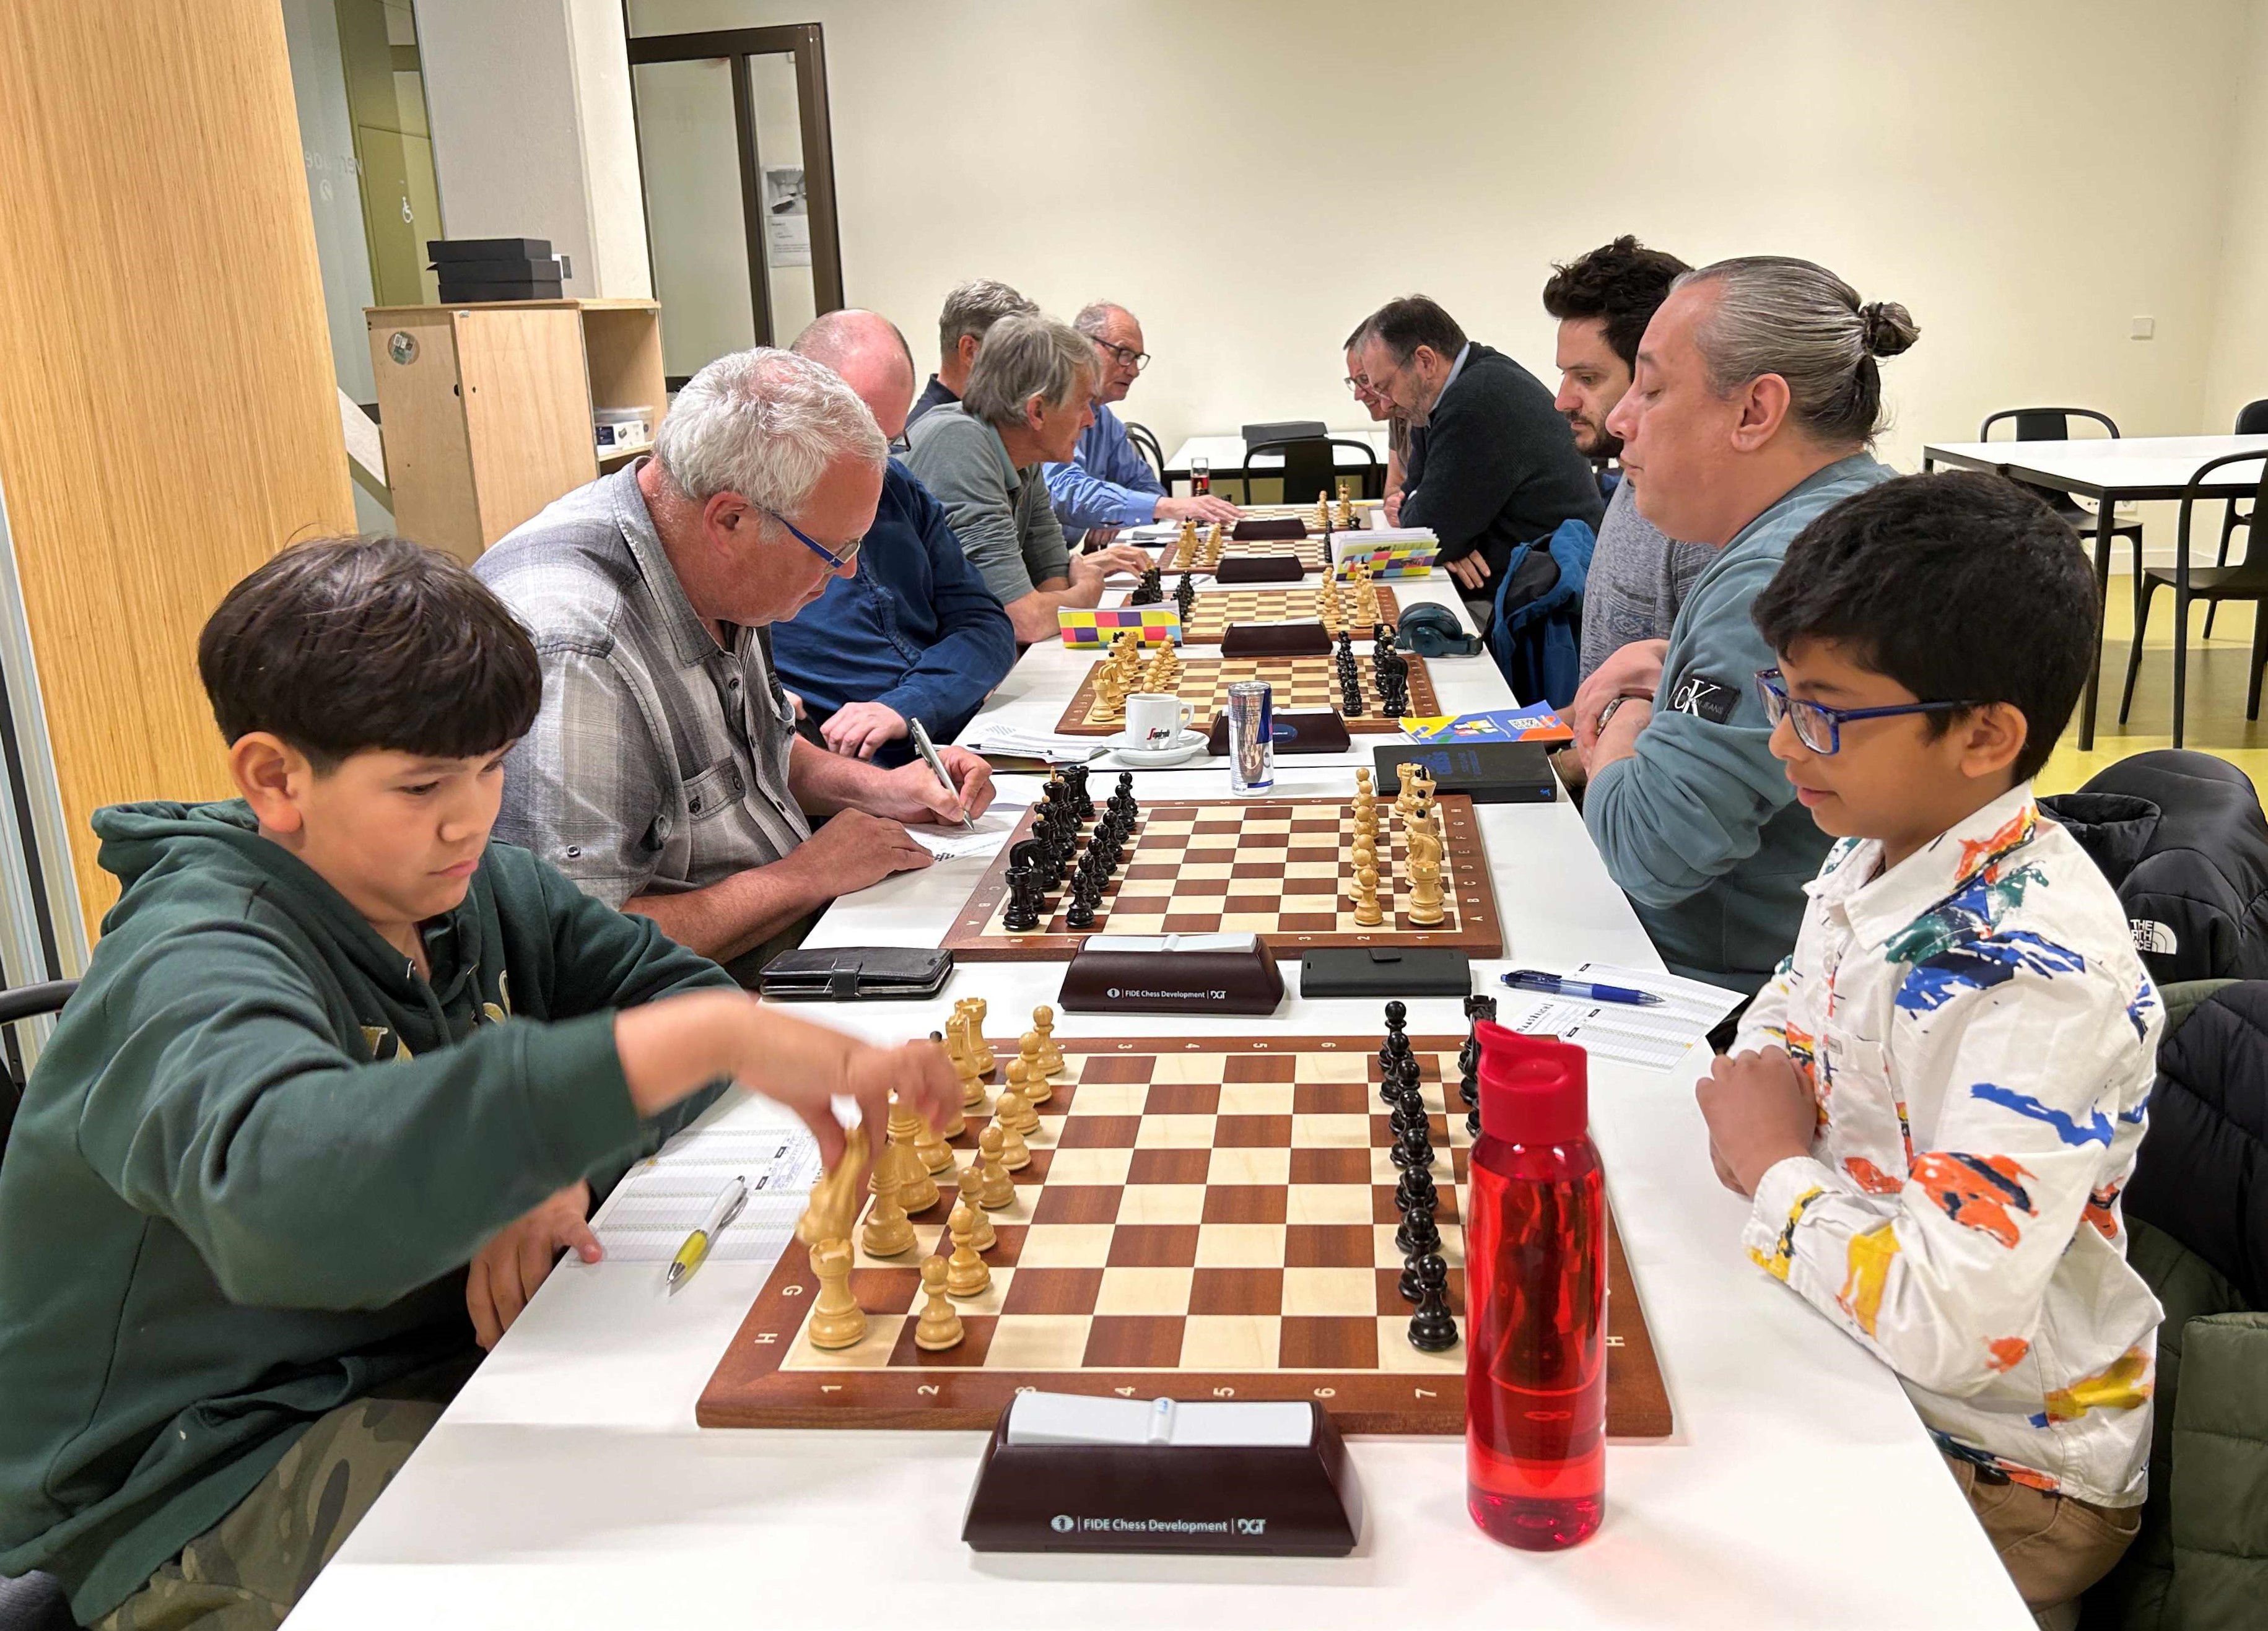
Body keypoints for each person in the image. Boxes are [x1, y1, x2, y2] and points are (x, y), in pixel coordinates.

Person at [0, 537, 961, 1629]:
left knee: (791, 1495)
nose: (472, 816)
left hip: (432, 1360)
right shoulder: (190, 957)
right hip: (204, 1471)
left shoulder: (472, 885)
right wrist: (624, 1081)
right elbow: (294, 1202)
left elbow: (670, 996)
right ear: (275, 779)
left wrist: (543, 1157)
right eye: (421, 784)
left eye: (492, 766)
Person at [1701, 473, 2157, 1630]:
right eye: (1782, 695)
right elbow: (1781, 1023)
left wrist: (1772, 1166)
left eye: (1823, 709)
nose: (1779, 738)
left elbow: (1956, 1328)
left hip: (2009, 1471)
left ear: (1983, 735)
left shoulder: (2031, 978)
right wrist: (1776, 1120)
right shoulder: (1881, 849)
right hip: (1862, 1345)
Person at [476, 348, 996, 979]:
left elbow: (751, 750)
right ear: (730, 519)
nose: (851, 572)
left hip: (795, 934)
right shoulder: (577, 649)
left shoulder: (712, 560)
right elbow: (575, 955)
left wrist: (881, 789)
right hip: (694, 1019)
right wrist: (802, 878)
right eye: (834, 550)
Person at [1573, 256, 1914, 993]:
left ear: (1755, 412)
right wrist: (1673, 675)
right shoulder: (1858, 512)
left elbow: (1647, 850)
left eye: (1652, 387)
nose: (1620, 418)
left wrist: (1628, 711)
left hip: (1722, 991)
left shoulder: (1772, 577)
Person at [768, 310, 1014, 763]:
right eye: (855, 444)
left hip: (946, 740)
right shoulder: (759, 518)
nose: (873, 468)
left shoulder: (898, 487)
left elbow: (985, 624)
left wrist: (911, 702)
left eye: (885, 444)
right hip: (842, 770)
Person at [902, 313, 1151, 644]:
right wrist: (1089, 590)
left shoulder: (1024, 453)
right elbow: (1023, 620)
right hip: (895, 669)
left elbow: (1053, 582)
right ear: (1036, 412)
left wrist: (1063, 597)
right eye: (1083, 405)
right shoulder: (958, 443)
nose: (1091, 420)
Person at [1540, 236, 1717, 685]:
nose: (1562, 400)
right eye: (1565, 375)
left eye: (1588, 378)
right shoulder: (1633, 475)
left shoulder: (1704, 523)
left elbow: (1689, 730)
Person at [1350, 295, 1603, 606]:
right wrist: (1440, 535)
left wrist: (1441, 537)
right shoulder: (1440, 397)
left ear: (1425, 361)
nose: (1386, 403)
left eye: (1386, 387)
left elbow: (1427, 536)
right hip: (1515, 585)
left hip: (1543, 601)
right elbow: (1419, 507)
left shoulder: (1475, 402)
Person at [1042, 302, 1239, 543]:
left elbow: (1145, 486)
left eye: (1137, 359)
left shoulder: (1106, 420)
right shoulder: (1053, 413)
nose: (1134, 371)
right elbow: (1064, 493)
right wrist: (1165, 507)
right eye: (1124, 355)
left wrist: (1118, 516)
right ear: (1085, 346)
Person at [907, 277, 1037, 430]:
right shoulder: (943, 433)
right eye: (1011, 353)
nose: (1022, 368)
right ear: (971, 351)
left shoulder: (968, 421)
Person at [1343, 321, 1411, 520]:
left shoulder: (1434, 417)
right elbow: (1394, 486)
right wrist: (1394, 504)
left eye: (1365, 380)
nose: (1358, 395)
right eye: (1355, 382)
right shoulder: (1397, 415)